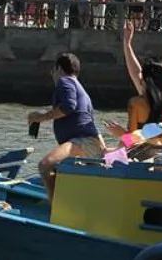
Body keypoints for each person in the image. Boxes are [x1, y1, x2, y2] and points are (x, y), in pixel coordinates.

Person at [28, 53, 105, 198]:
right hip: (89, 142)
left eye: (53, 70)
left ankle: (55, 207)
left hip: (81, 141)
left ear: (59, 69)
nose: (52, 74)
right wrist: (102, 147)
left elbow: (69, 106)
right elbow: (87, 118)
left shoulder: (64, 81)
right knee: (60, 171)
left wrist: (40, 117)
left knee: (45, 166)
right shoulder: (80, 89)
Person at [104, 12, 162, 162]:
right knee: (114, 149)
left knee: (112, 150)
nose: (138, 77)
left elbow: (132, 139)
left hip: (147, 153)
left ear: (145, 82)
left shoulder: (137, 103)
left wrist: (119, 132)